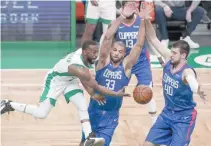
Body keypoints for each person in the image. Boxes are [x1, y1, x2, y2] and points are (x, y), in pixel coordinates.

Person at [1, 40, 129, 146]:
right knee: (41, 113)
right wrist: (115, 94)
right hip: (55, 81)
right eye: (93, 52)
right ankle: (9, 104)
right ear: (85, 52)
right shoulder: (77, 65)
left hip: (70, 80)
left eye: (97, 52)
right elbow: (95, 85)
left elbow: (84, 79)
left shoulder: (84, 55)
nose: (96, 55)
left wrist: (92, 94)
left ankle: (89, 137)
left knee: (82, 105)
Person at [80, 2, 150, 146]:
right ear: (110, 50)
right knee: (84, 143)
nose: (117, 53)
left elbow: (139, 44)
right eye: (115, 50)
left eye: (120, 51)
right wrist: (122, 16)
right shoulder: (102, 62)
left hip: (111, 116)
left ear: (125, 54)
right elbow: (107, 37)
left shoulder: (126, 67)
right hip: (94, 111)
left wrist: (142, 20)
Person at [142, 17, 207, 146]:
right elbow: (153, 38)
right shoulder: (169, 59)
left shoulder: (186, 72)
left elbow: (191, 80)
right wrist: (145, 19)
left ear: (183, 55)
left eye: (174, 53)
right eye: (171, 52)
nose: (171, 54)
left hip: (184, 118)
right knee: (147, 144)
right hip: (167, 114)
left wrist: (197, 89)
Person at [114, 0, 157, 124]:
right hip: (124, 63)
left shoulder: (141, 21)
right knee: (117, 90)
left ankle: (154, 121)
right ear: (122, 9)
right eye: (127, 6)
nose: (130, 8)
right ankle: (112, 116)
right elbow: (108, 42)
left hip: (141, 61)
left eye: (132, 6)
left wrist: (159, 57)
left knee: (146, 90)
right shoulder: (117, 23)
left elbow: (151, 39)